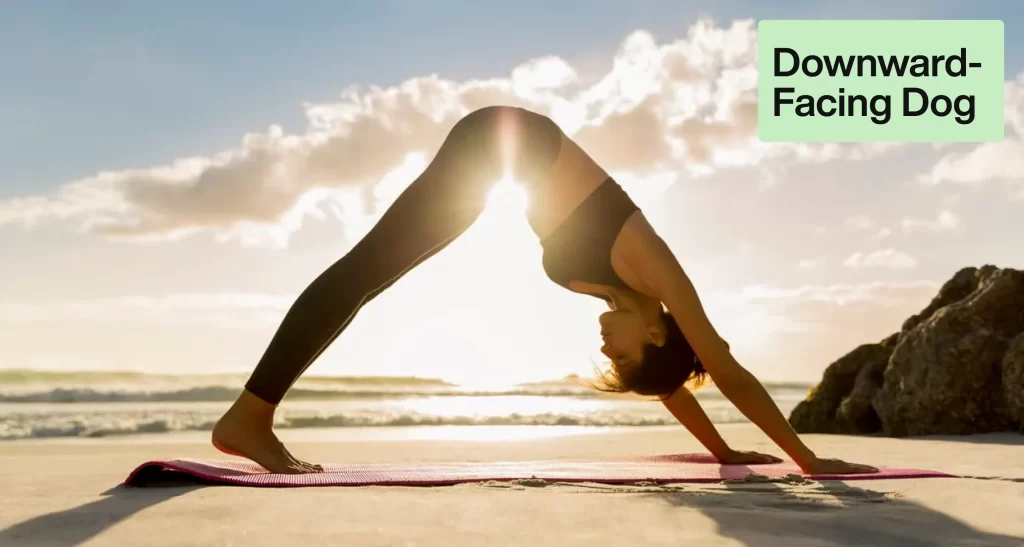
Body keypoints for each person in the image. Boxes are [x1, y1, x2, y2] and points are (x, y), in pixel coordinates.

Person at [212, 105, 878, 476]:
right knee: (364, 272)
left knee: (368, 277)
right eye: (623, 356)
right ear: (656, 331)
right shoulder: (656, 268)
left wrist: (724, 451)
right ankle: (250, 416)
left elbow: (670, 384)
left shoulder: (624, 299)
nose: (604, 347)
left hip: (495, 159)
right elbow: (723, 366)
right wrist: (808, 458)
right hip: (503, 143)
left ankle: (253, 414)